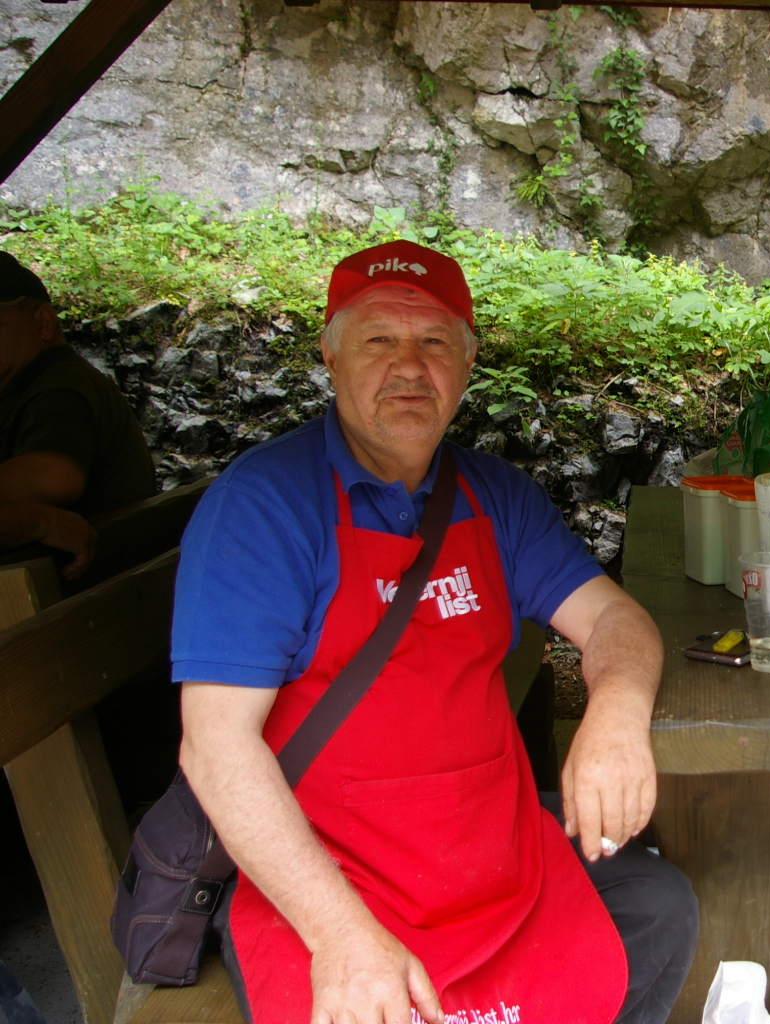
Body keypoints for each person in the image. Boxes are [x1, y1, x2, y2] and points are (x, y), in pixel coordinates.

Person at [173, 240, 697, 1024]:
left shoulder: (495, 496)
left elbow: (616, 619)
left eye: (434, 342)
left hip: (490, 853)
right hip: (335, 871)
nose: (410, 367)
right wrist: (342, 936)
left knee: (658, 905)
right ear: (331, 354)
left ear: (469, 361)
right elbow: (214, 747)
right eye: (379, 339)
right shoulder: (264, 506)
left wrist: (616, 714)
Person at [0, 252, 157, 576]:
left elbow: (54, 478)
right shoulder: (41, 383)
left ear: (43, 323)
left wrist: (37, 522)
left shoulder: (60, 390)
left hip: (70, 596)